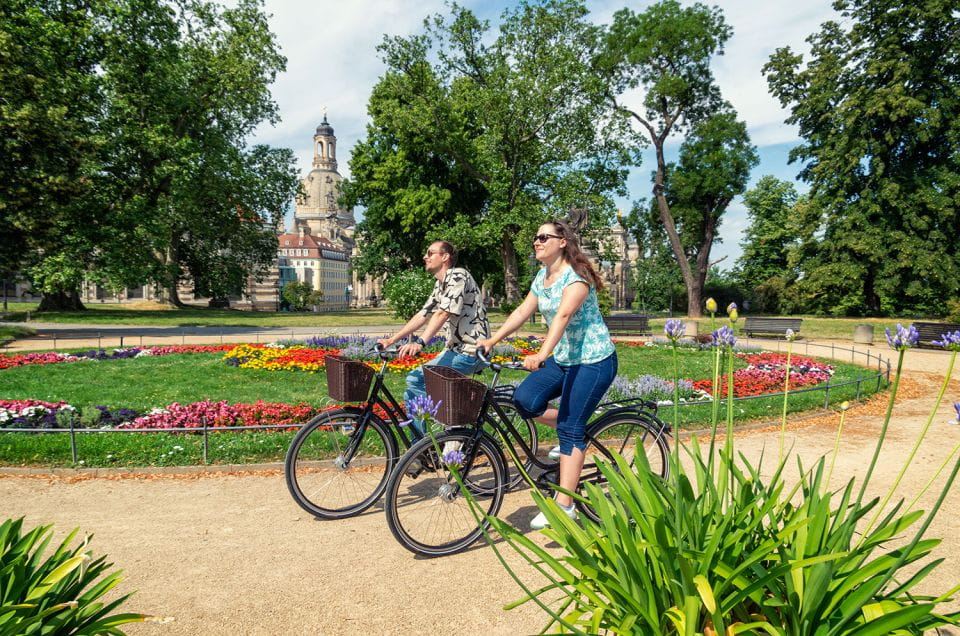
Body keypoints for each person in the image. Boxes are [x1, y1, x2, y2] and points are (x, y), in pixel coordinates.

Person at [478, 219, 616, 530]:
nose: (537, 242)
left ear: (562, 241)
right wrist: (492, 339)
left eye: (544, 237)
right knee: (525, 400)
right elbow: (521, 311)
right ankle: (571, 428)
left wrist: (541, 354)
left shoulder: (577, 278)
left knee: (570, 428)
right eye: (535, 238)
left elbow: (564, 315)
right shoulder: (543, 276)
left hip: (593, 360)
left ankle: (564, 506)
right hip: (566, 358)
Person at [377, 240, 490, 435]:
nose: (425, 257)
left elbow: (442, 313)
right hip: (455, 350)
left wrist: (420, 342)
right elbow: (424, 314)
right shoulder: (440, 283)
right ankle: (423, 449)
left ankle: (455, 422)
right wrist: (391, 340)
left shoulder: (458, 275)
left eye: (430, 253)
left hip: (471, 351)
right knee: (411, 391)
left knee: (415, 380)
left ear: (445, 257)